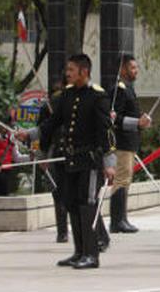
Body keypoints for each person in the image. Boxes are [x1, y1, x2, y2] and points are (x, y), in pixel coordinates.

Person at [20, 54, 115, 269]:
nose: (67, 73)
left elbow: (106, 131)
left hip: (90, 161)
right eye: (68, 69)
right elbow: (52, 123)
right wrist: (30, 134)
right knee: (71, 202)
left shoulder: (97, 96)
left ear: (84, 71)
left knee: (87, 204)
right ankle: (79, 252)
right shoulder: (67, 95)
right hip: (71, 159)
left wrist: (109, 162)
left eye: (71, 69)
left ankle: (91, 255)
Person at [109, 54, 151, 233]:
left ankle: (122, 218)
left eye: (136, 67)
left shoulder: (128, 89)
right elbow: (115, 118)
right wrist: (137, 122)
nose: (136, 71)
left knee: (126, 180)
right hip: (122, 142)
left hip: (130, 142)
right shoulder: (118, 90)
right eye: (132, 68)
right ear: (122, 69)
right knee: (121, 179)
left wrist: (142, 120)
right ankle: (116, 220)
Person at [38, 83, 68, 243]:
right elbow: (44, 132)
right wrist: (43, 156)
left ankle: (62, 232)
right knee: (60, 192)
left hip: (58, 151)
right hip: (58, 151)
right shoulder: (49, 106)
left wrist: (43, 155)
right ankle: (63, 232)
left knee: (59, 193)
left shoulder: (50, 104)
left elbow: (43, 135)